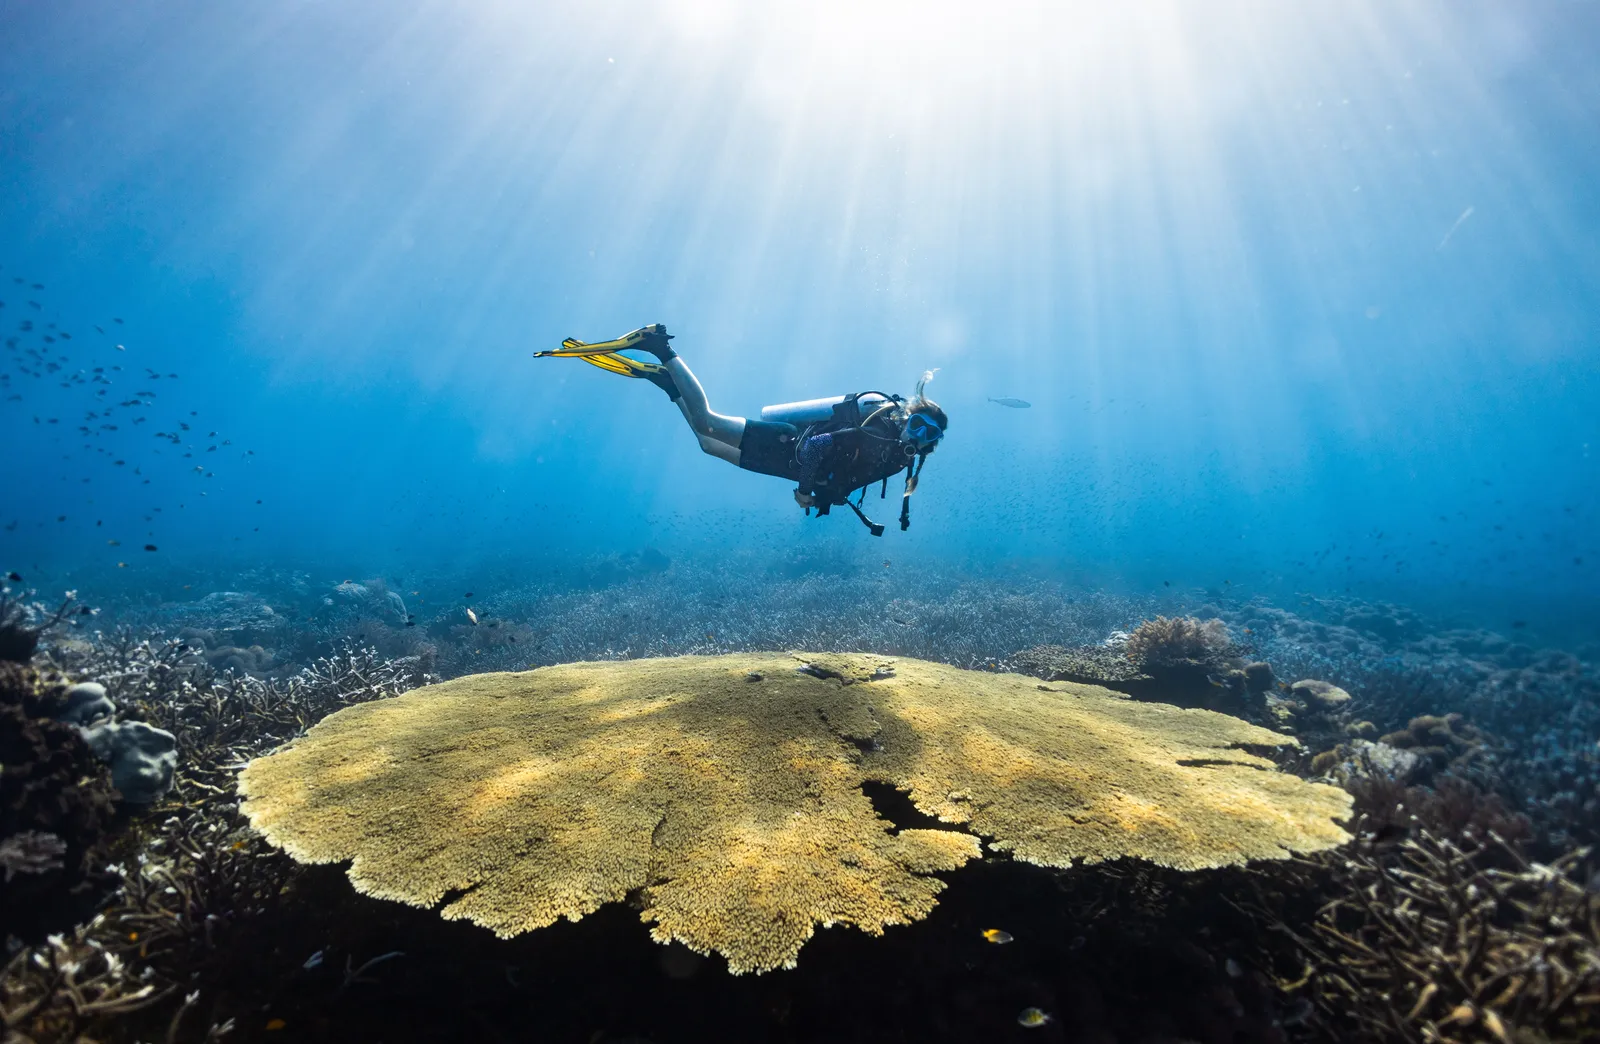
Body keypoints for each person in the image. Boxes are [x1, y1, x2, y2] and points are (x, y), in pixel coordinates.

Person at [535, 324, 947, 534]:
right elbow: (817, 446)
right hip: (787, 443)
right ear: (906, 416)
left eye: (929, 434)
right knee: (709, 422)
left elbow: (846, 473)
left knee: (705, 445)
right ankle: (661, 347)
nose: (918, 435)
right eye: (917, 423)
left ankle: (668, 383)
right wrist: (806, 489)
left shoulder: (900, 458)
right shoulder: (874, 432)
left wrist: (824, 493)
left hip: (786, 462)